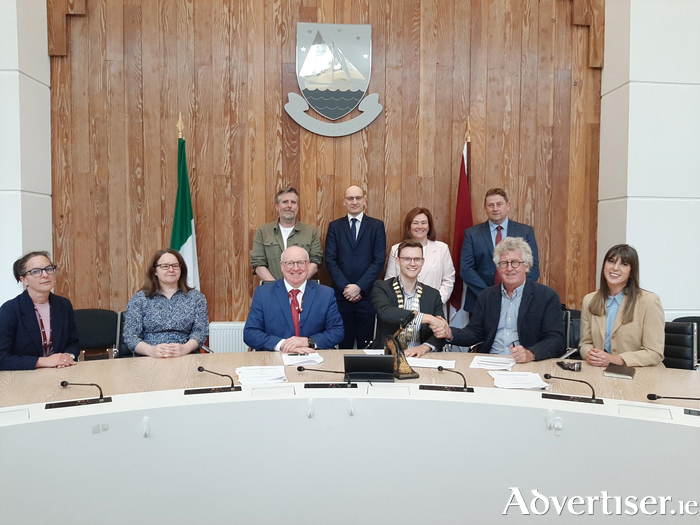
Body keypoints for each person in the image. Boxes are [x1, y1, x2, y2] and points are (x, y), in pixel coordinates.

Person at [434, 237, 564, 363]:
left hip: (527, 364)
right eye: (503, 263)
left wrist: (531, 353)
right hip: (490, 362)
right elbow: (474, 333)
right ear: (498, 268)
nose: (509, 268)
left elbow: (556, 340)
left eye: (515, 262)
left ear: (527, 266)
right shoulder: (486, 296)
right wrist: (450, 332)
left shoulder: (546, 296)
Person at [244, 246, 344, 352]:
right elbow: (250, 333)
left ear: (308, 265)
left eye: (301, 263)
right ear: (282, 266)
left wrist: (308, 342)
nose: (296, 268)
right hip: (274, 358)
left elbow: (337, 331)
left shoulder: (326, 294)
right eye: (290, 263)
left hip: (313, 357)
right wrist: (282, 345)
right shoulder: (263, 294)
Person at [579, 244, 665, 367]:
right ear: (604, 266)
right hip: (600, 372)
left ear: (631, 272)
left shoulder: (649, 301)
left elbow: (654, 352)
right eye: (611, 262)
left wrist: (615, 359)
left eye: (624, 264)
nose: (615, 268)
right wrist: (590, 354)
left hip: (641, 374)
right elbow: (585, 343)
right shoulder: (590, 300)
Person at [325, 185, 386, 348]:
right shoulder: (335, 227)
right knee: (342, 344)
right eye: (350, 198)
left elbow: (379, 260)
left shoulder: (376, 226)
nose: (354, 202)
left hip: (367, 296)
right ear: (344, 202)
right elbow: (330, 260)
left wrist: (359, 287)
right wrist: (347, 288)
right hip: (341, 296)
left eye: (358, 198)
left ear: (364, 200)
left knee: (366, 346)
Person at [460, 188, 539, 313]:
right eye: (490, 205)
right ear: (485, 208)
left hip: (518, 300)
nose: (495, 209)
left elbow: (532, 267)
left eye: (499, 204)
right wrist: (489, 294)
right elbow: (466, 269)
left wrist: (515, 291)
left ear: (508, 205)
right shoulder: (472, 234)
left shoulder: (525, 232)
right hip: (481, 300)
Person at [0, 251, 79, 371]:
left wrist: (66, 357)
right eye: (36, 272)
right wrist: (45, 362)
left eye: (48, 269)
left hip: (60, 372)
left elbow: (73, 343)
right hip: (24, 376)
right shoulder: (10, 310)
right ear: (24, 280)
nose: (45, 275)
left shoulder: (64, 305)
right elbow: (2, 358)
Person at [123, 249, 209, 358]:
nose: (171, 270)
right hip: (148, 358)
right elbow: (131, 336)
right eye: (165, 266)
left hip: (186, 356)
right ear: (155, 271)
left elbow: (200, 332)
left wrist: (185, 348)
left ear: (181, 269)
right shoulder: (139, 299)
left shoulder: (196, 298)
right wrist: (151, 350)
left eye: (175, 266)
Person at [371, 240, 447, 357]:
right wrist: (428, 318)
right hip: (388, 355)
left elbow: (441, 332)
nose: (412, 263)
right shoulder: (382, 287)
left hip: (423, 357)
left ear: (422, 262)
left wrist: (424, 347)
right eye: (407, 259)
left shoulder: (433, 294)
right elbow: (385, 312)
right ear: (398, 261)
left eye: (417, 259)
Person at [385, 207, 455, 314]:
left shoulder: (442, 248)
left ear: (429, 226)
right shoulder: (396, 249)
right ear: (409, 226)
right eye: (415, 223)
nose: (420, 227)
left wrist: (436, 302)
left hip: (433, 308)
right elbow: (390, 280)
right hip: (402, 308)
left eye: (423, 223)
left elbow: (448, 280)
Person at [251, 187, 323, 282]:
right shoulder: (263, 232)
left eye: (293, 202)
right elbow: (258, 263)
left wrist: (296, 283)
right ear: (277, 206)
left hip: (302, 291)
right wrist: (277, 287)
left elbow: (315, 261)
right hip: (272, 291)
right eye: (285, 202)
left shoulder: (310, 232)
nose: (289, 206)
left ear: (297, 207)